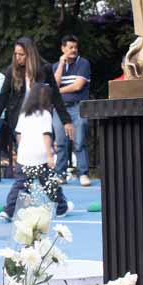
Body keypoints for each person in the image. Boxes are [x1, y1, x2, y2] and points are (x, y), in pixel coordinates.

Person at [2, 83, 68, 218]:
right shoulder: (45, 114)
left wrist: (21, 150)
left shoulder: (24, 114)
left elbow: (18, 134)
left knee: (20, 185)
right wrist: (49, 156)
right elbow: (46, 135)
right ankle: (61, 207)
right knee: (49, 183)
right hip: (40, 156)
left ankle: (9, 210)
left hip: (25, 155)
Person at [52, 35, 92, 186]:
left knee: (79, 141)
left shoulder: (83, 63)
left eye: (75, 47)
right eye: (70, 47)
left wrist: (58, 92)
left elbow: (78, 86)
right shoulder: (56, 66)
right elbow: (54, 83)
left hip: (77, 107)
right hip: (60, 109)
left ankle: (83, 174)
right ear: (63, 49)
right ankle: (60, 174)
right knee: (61, 142)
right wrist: (61, 65)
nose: (74, 50)